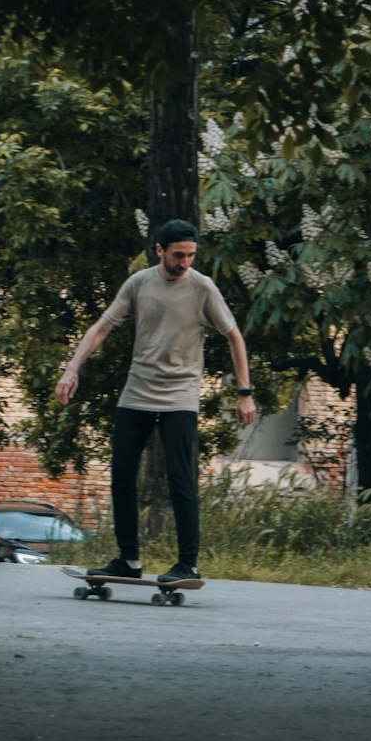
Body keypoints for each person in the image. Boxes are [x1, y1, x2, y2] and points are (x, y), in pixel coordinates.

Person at [55, 219, 257, 583]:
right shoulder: (139, 284)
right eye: (178, 255)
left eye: (191, 255)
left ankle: (188, 564)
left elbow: (235, 337)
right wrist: (72, 368)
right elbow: (101, 327)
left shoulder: (203, 288)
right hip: (137, 392)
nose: (185, 262)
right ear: (160, 250)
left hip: (180, 396)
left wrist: (244, 393)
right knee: (121, 475)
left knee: (181, 480)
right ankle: (128, 560)